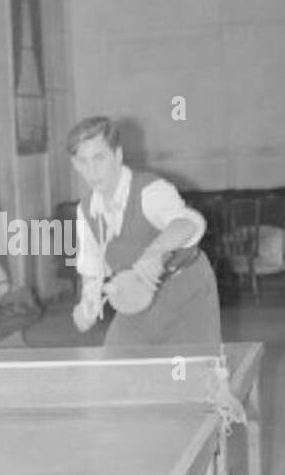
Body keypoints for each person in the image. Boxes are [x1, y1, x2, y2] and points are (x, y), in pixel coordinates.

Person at [68, 115, 221, 346]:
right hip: (134, 297)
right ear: (75, 164)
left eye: (99, 158)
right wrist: (88, 304)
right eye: (83, 162)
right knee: (115, 370)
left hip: (186, 295)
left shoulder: (151, 191)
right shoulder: (86, 209)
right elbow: (91, 267)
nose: (92, 171)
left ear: (117, 155)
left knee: (189, 377)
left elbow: (188, 223)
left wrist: (154, 252)